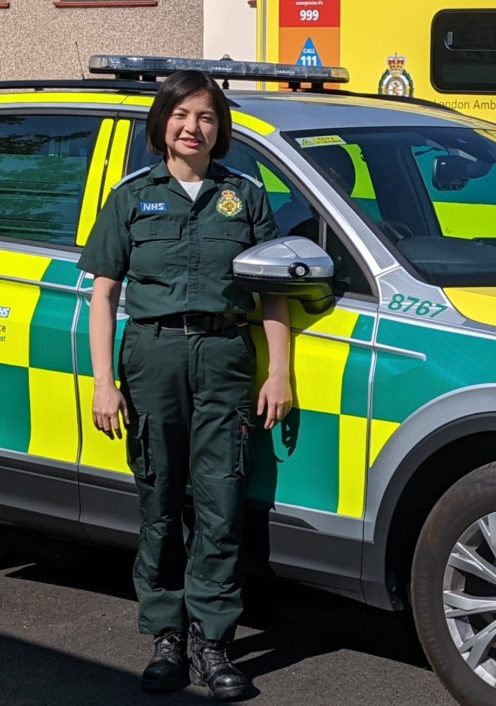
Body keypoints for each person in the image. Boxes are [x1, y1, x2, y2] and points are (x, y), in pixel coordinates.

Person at [77, 70, 293, 701]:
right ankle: (166, 638)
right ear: (161, 124)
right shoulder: (131, 197)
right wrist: (103, 382)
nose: (192, 127)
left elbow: (272, 290)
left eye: (205, 116)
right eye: (181, 115)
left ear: (220, 128)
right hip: (152, 355)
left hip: (226, 355)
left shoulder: (245, 197)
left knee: (220, 503)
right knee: (159, 500)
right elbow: (103, 295)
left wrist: (277, 370)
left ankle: (214, 643)